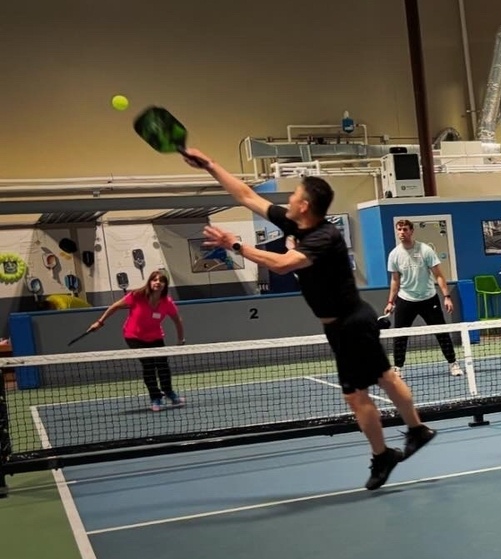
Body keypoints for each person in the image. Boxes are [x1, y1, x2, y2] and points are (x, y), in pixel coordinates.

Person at [181, 147, 435, 491]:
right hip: (351, 320)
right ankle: (417, 430)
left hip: (348, 325)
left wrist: (235, 246)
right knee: (385, 377)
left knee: (356, 395)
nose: (289, 198)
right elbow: (246, 195)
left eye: (295, 194)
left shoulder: (323, 237)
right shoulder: (295, 222)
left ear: (305, 206)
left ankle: (383, 455)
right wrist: (210, 163)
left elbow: (283, 264)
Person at [88, 269, 185, 412]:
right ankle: (155, 397)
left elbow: (178, 320)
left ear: (165, 285)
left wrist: (180, 338)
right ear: (150, 282)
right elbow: (115, 306)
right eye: (155, 279)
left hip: (156, 337)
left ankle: (169, 393)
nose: (158, 282)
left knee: (163, 366)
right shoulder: (137, 296)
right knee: (149, 365)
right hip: (134, 336)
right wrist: (100, 322)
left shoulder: (167, 303)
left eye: (161, 281)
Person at [384, 219, 462, 378]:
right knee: (400, 335)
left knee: (441, 332)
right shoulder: (394, 255)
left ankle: (453, 364)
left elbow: (439, 275)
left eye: (405, 229)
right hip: (405, 299)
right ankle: (398, 368)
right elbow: (395, 280)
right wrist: (391, 302)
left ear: (411, 231)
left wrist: (446, 296)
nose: (402, 233)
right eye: (399, 230)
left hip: (428, 298)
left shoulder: (425, 250)